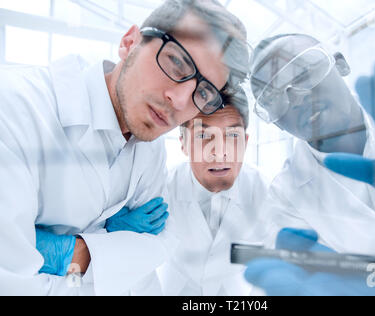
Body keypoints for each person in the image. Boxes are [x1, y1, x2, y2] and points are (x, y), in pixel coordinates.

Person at [0, 0, 249, 296]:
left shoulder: (150, 151)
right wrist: (105, 249)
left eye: (204, 92)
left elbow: (152, 257)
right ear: (130, 42)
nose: (181, 100)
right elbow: (12, 282)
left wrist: (60, 249)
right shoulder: (14, 108)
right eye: (176, 62)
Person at [245, 34, 375, 296]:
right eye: (273, 98)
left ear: (339, 64)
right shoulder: (285, 197)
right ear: (273, 121)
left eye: (303, 72)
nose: (295, 99)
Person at [131, 87, 270, 295]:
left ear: (246, 143)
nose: (220, 153)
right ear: (184, 144)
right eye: (204, 135)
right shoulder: (160, 191)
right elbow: (137, 270)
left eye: (232, 135)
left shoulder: (266, 192)